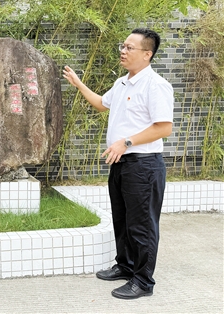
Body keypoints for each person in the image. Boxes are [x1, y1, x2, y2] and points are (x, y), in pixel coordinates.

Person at [63, 28, 173, 300]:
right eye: (122, 46)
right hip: (122, 164)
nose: (122, 51)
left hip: (144, 165)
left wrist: (126, 142)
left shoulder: (155, 85)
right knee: (122, 220)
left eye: (129, 48)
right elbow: (102, 104)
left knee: (142, 226)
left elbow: (163, 128)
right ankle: (125, 266)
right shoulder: (122, 82)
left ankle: (143, 282)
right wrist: (78, 83)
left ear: (147, 54)